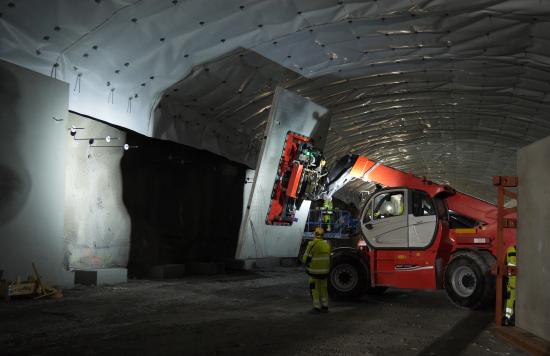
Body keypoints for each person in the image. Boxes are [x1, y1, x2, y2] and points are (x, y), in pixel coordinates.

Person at [302, 227, 331, 313]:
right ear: (323, 235)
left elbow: (305, 259)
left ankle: (317, 307)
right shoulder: (327, 244)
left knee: (314, 289)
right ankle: (325, 306)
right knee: (324, 289)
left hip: (314, 273)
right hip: (325, 272)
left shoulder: (312, 244)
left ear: (315, 234)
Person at [503, 245, 517, 326]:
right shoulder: (512, 250)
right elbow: (511, 268)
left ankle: (507, 318)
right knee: (510, 299)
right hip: (513, 281)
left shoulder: (511, 249)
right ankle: (508, 318)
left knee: (510, 300)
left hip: (513, 281)